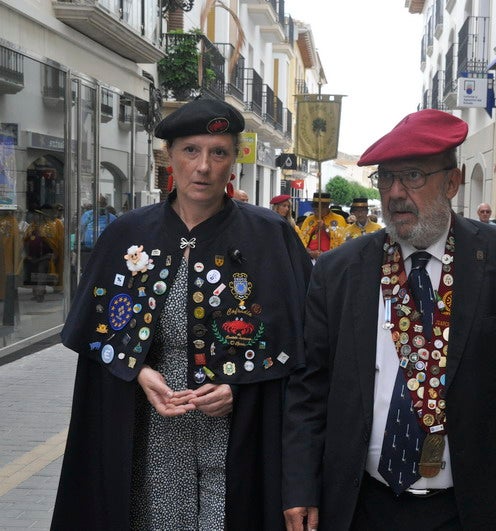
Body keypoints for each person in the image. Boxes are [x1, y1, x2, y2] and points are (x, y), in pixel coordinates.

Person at [283, 109, 496, 530]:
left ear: (452, 181)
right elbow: (309, 387)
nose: (395, 193)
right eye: (386, 177)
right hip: (361, 502)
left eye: (412, 176)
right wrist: (301, 485)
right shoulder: (340, 269)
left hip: (468, 502)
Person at [52, 97, 312, 530]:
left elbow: (301, 342)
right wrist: (136, 372)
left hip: (240, 432)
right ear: (170, 156)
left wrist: (240, 391)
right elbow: (98, 329)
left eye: (219, 152)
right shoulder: (128, 234)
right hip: (154, 425)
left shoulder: (271, 236)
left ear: (235, 161)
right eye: (191, 150)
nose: (204, 166)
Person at [297, 192, 346, 260]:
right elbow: (301, 240)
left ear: (327, 206)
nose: (315, 208)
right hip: (311, 259)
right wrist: (310, 252)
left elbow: (341, 240)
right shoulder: (309, 219)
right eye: (314, 206)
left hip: (330, 259)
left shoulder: (338, 219)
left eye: (318, 206)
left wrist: (325, 228)